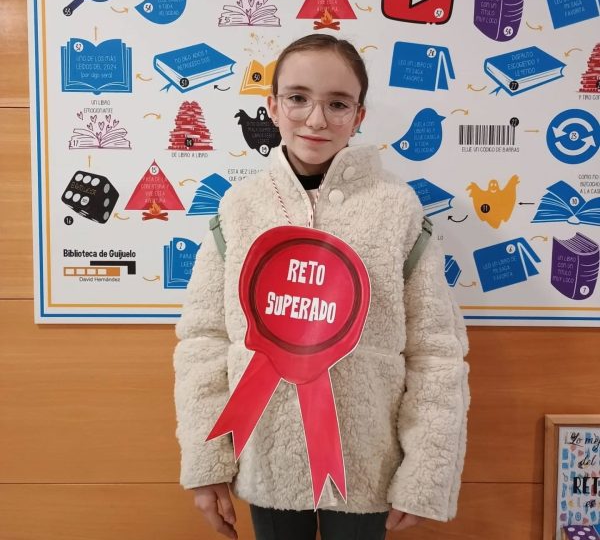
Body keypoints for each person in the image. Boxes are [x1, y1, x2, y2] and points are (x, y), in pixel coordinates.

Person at [174, 33, 470, 540]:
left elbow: (435, 351)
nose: (316, 119)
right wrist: (207, 464)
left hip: (365, 461)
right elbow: (204, 340)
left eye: (337, 104)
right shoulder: (239, 208)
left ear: (358, 116)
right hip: (266, 454)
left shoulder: (396, 208)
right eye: (298, 97)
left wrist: (425, 474)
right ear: (272, 106)